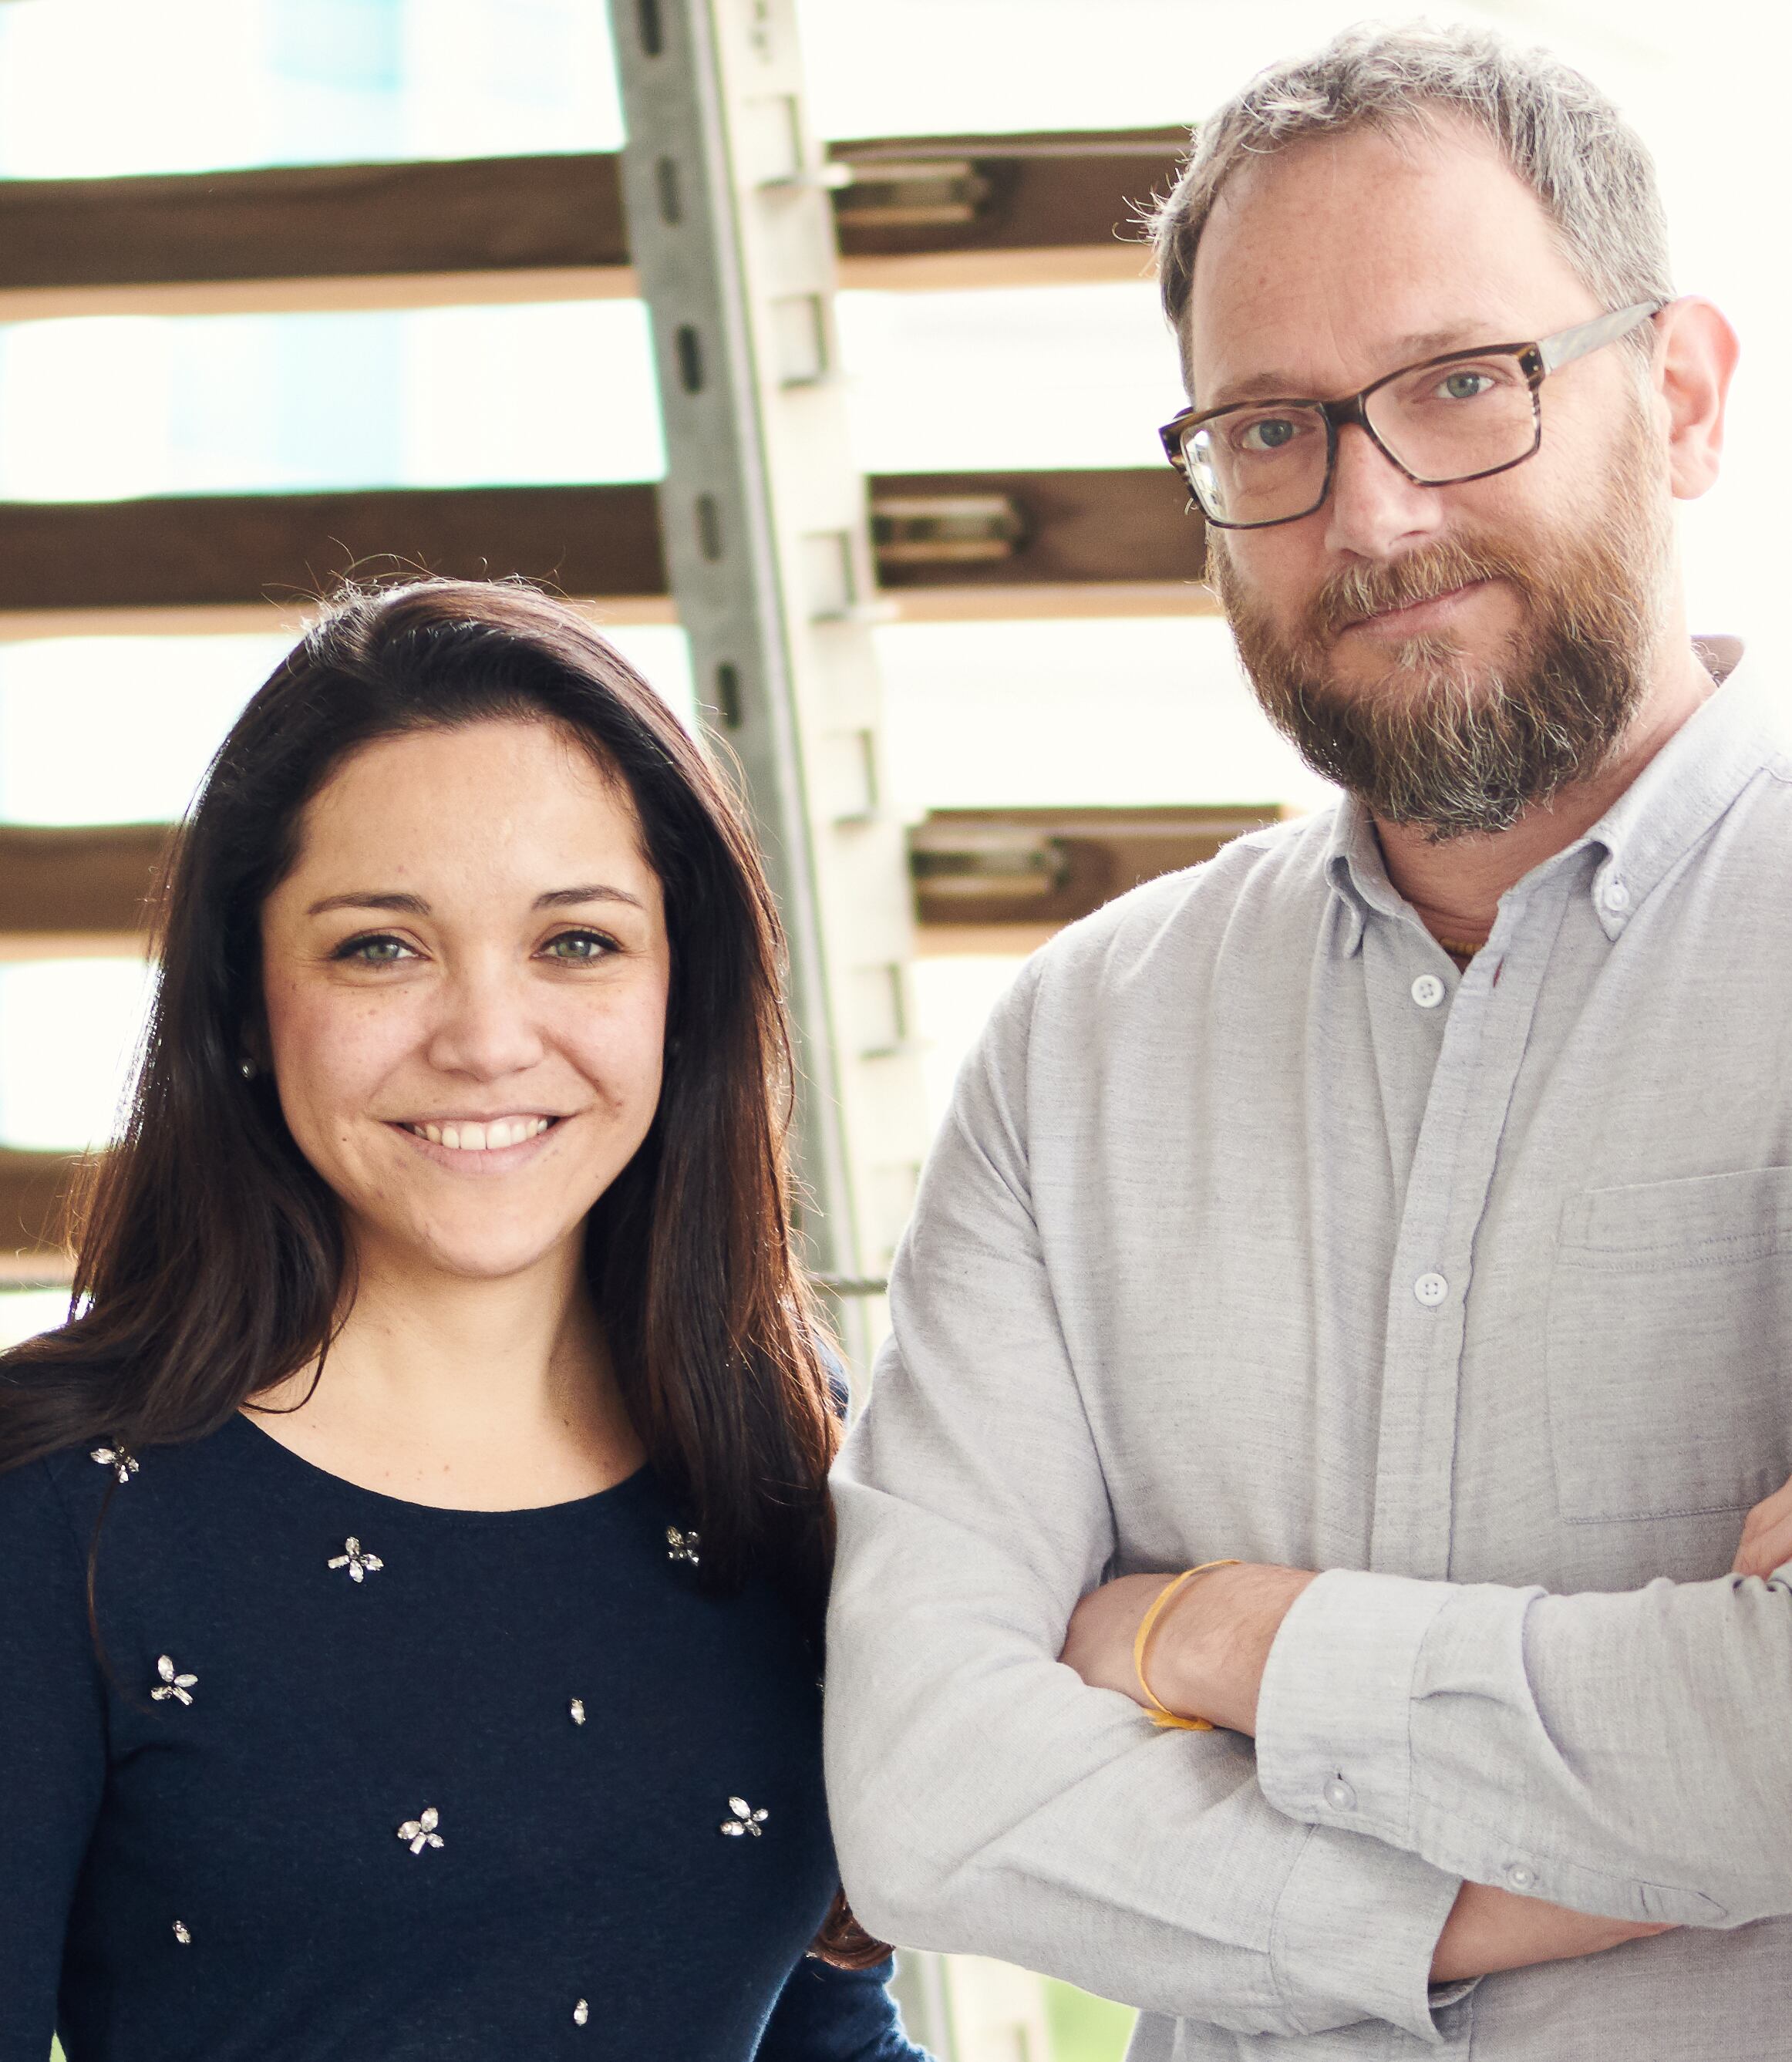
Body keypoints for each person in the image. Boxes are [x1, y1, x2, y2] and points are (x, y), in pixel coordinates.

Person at [824, 25, 1792, 2060]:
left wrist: (1210, 1634)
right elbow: (924, 1799)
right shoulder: (1075, 1047)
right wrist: (1525, 1881)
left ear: (1681, 394)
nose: (1366, 515)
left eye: (1461, 384)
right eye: (1269, 431)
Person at [0, 580, 926, 2061]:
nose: (489, 1040)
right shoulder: (53, 1507)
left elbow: (822, 2040)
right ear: (246, 1000)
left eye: (578, 943)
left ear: (684, 990)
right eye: (381, 945)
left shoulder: (769, 1436)